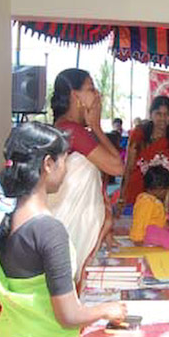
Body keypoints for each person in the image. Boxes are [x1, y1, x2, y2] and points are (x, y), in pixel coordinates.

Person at [0, 122, 127, 337]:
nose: (66, 169)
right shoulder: (48, 230)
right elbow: (68, 315)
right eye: (64, 160)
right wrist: (107, 309)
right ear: (47, 164)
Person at [49, 68, 124, 279]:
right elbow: (117, 167)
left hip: (65, 221)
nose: (97, 95)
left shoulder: (68, 127)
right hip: (70, 222)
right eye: (91, 89)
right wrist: (97, 127)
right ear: (76, 96)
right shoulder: (73, 130)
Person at [119, 96, 169, 210]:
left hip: (162, 196)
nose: (162, 118)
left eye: (166, 114)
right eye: (158, 114)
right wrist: (122, 196)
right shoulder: (139, 135)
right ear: (151, 115)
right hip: (136, 189)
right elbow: (128, 167)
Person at [129, 165, 169, 243]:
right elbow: (140, 223)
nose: (166, 193)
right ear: (159, 188)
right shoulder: (146, 202)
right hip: (147, 241)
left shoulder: (153, 201)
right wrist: (138, 240)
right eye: (166, 190)